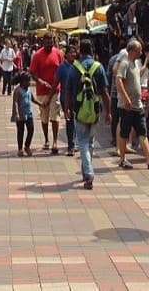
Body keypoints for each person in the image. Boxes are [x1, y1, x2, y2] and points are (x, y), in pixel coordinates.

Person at [64, 38, 111, 189]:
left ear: (80, 51)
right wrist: (108, 112)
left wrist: (67, 109)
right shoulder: (99, 67)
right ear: (91, 50)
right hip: (95, 110)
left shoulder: (74, 68)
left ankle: (89, 173)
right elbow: (104, 92)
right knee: (89, 142)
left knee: (83, 142)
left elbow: (68, 91)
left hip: (79, 110)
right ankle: (86, 173)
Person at [115, 38, 149, 169]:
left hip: (137, 106)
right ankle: (122, 159)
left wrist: (147, 61)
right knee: (124, 133)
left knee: (143, 132)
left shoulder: (136, 63)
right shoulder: (125, 63)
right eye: (139, 50)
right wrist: (126, 98)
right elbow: (118, 81)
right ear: (132, 51)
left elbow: (139, 74)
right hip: (127, 106)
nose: (141, 52)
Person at [29, 35, 64, 153]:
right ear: (43, 42)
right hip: (42, 92)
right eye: (47, 42)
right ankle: (46, 139)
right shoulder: (37, 55)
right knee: (44, 117)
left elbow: (62, 69)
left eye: (51, 42)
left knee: (55, 116)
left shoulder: (58, 53)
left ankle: (55, 141)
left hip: (55, 91)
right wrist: (41, 81)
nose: (49, 44)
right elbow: (32, 73)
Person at [55, 44, 79, 156]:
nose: (73, 54)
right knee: (69, 122)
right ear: (66, 54)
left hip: (78, 98)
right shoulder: (62, 67)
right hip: (66, 98)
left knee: (76, 122)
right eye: (70, 52)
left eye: (74, 52)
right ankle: (71, 146)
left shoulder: (78, 66)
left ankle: (74, 143)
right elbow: (56, 82)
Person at [106, 40, 127, 151]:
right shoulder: (127, 58)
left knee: (115, 118)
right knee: (123, 117)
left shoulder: (112, 59)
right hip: (123, 93)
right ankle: (123, 140)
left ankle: (115, 138)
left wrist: (109, 89)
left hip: (114, 93)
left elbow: (108, 75)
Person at [11, 72, 36, 157]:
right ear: (22, 82)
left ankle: (27, 146)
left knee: (31, 129)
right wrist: (16, 113)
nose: (29, 83)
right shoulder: (17, 90)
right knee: (20, 131)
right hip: (20, 114)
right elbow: (15, 103)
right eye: (28, 81)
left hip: (29, 113)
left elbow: (33, 99)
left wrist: (41, 104)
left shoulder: (29, 90)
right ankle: (20, 149)